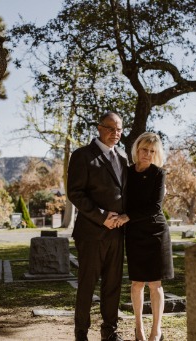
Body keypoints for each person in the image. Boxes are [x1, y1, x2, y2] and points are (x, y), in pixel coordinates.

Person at [67, 112, 128, 341]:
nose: (116, 133)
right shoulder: (82, 155)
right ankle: (81, 333)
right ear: (99, 128)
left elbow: (125, 194)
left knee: (112, 285)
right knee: (87, 285)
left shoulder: (122, 157)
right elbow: (75, 193)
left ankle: (109, 332)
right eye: (111, 128)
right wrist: (102, 216)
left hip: (117, 232)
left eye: (119, 129)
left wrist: (125, 217)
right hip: (91, 232)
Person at [115, 132, 174, 341]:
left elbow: (155, 208)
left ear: (155, 153)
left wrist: (126, 216)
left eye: (151, 151)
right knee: (137, 283)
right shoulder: (126, 173)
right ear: (137, 150)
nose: (147, 154)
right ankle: (138, 329)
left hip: (156, 232)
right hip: (134, 233)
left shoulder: (159, 174)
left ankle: (156, 330)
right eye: (143, 150)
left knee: (155, 284)